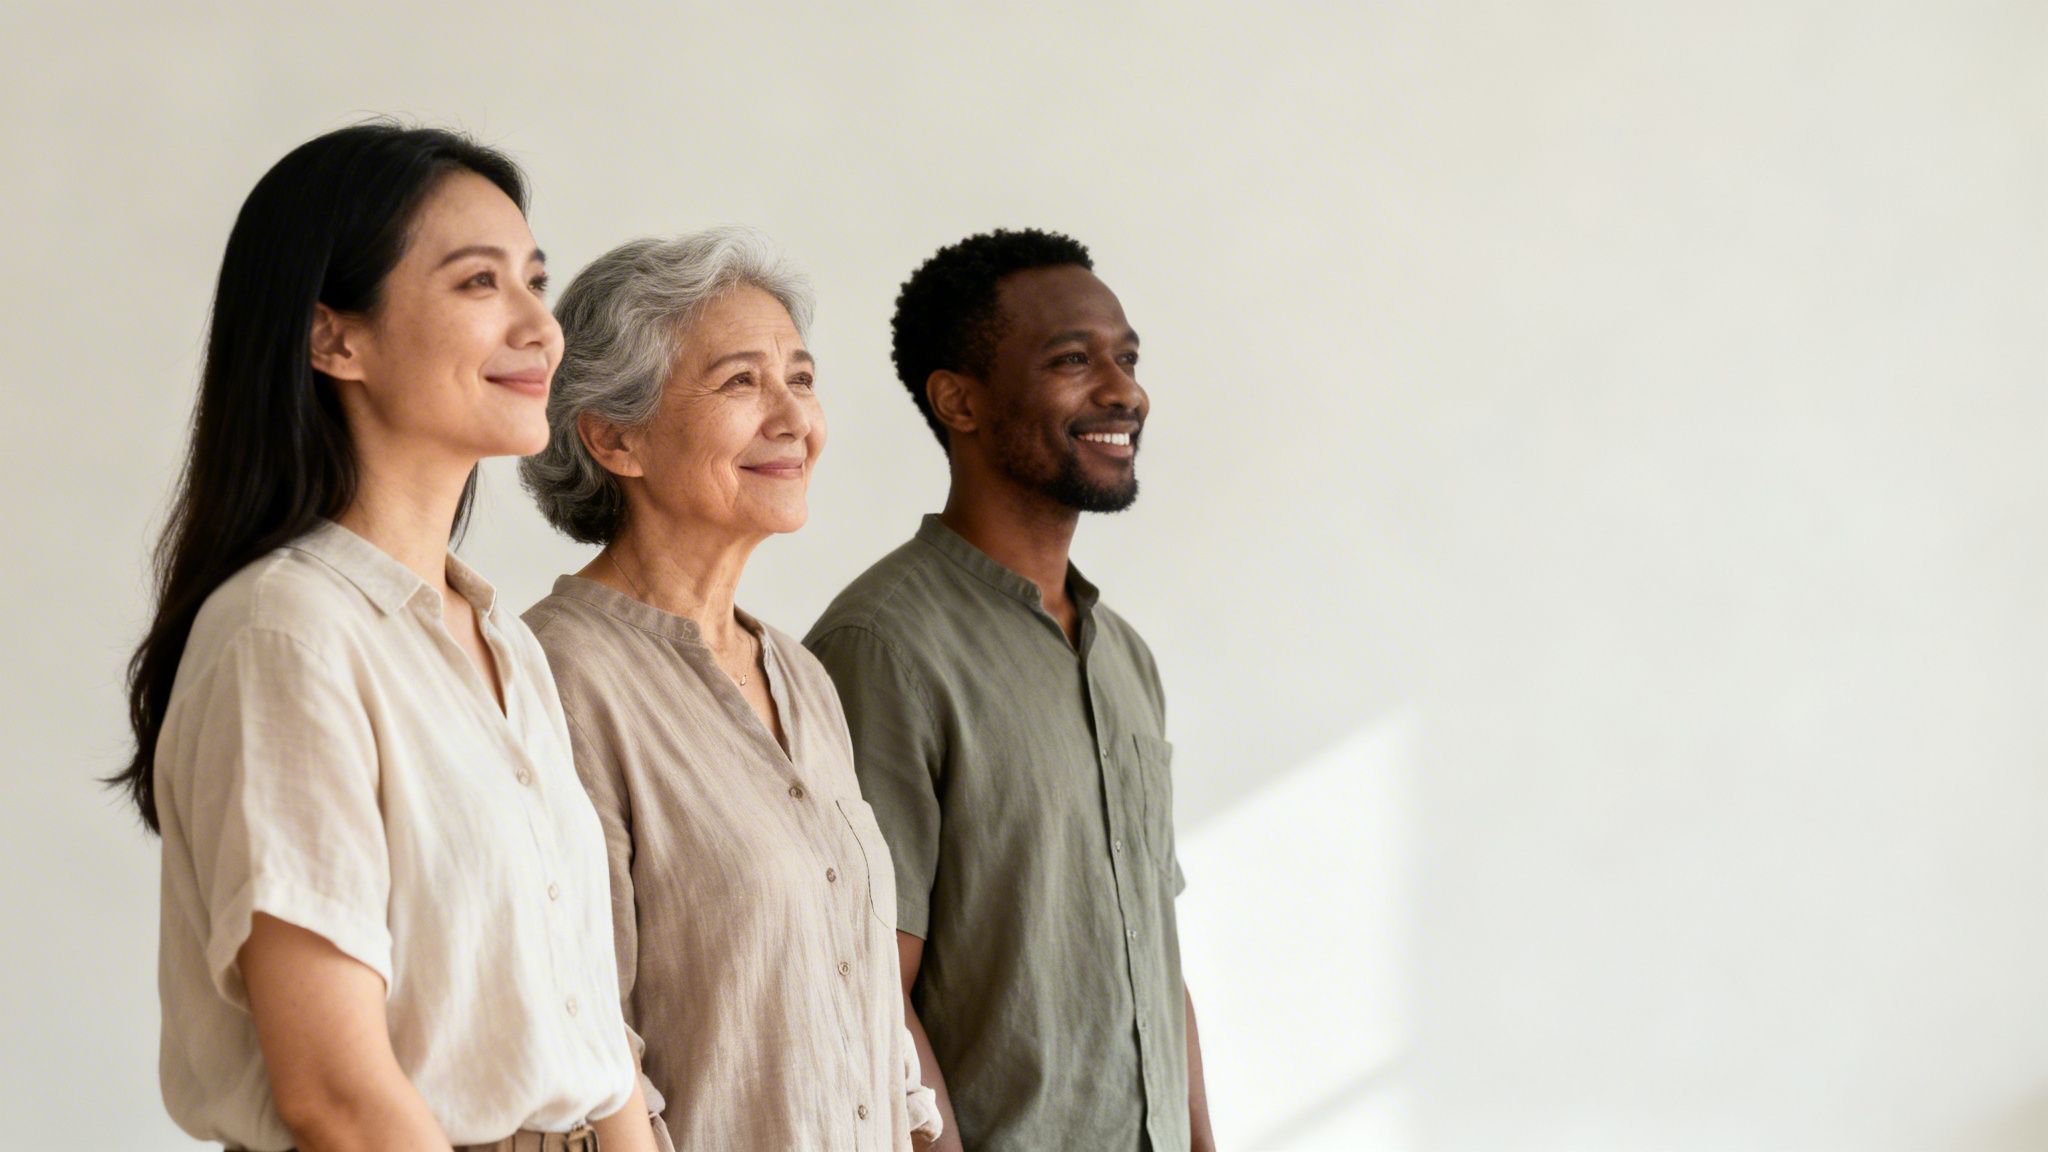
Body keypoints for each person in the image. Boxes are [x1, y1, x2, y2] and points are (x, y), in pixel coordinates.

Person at [117, 123, 658, 1152]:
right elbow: (337, 1093)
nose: (541, 327)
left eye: (533, 281)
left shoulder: (505, 641)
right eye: (477, 284)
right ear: (335, 339)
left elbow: (587, 1035)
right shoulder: (288, 634)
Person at [519, 228, 943, 1151]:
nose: (793, 418)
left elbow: (867, 1012)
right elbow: (580, 1053)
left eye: (801, 376)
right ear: (614, 436)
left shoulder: (801, 673)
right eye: (742, 381)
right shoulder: (557, 678)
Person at [804, 229, 1217, 1152]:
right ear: (960, 400)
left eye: (1127, 358)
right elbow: (866, 988)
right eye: (1073, 361)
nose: (1124, 391)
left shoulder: (1125, 658)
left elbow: (1155, 954)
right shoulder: (883, 646)